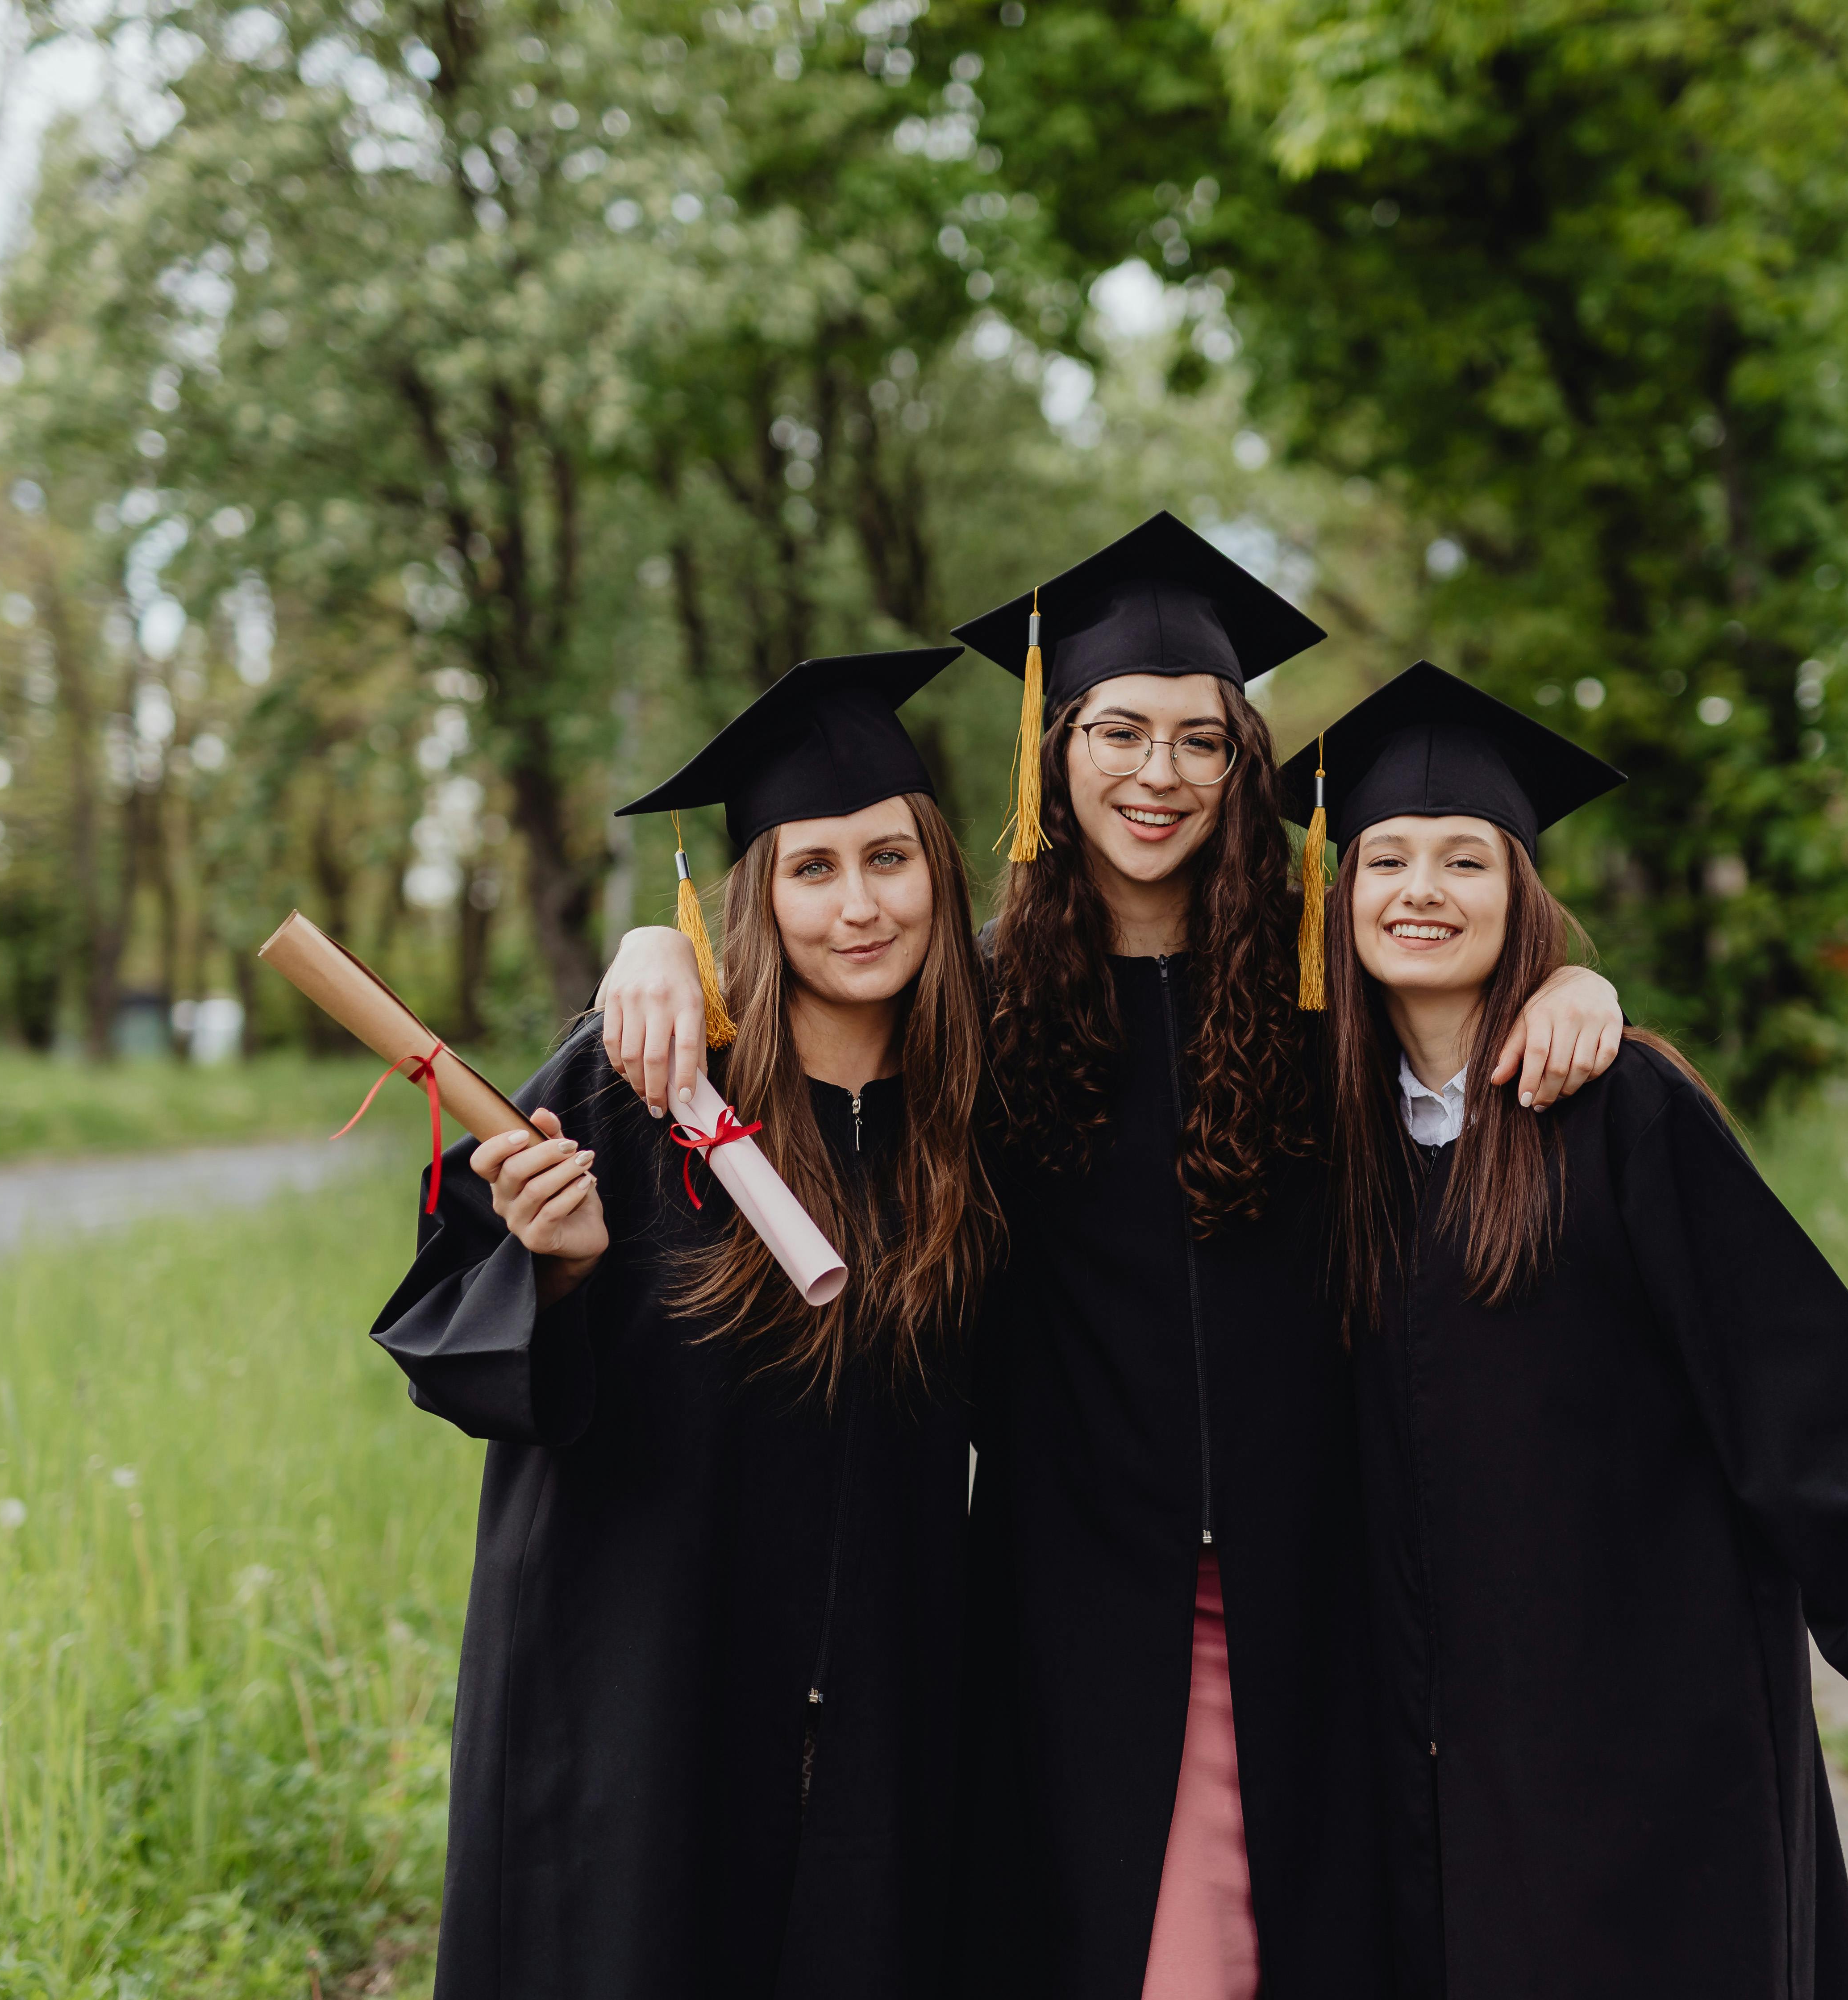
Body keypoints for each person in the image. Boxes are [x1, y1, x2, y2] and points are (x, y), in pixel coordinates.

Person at [595, 517, 1629, 1999]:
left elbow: (1471, 986)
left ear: (1245, 765)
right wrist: (656, 952)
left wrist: (1578, 977)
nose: (1159, 775)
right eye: (1120, 732)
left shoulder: (1321, 971)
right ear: (1051, 747)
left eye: (1202, 743)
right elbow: (807, 1003)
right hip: (1065, 1581)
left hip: (1313, 1569)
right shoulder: (975, 992)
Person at [1280, 662, 1848, 2000]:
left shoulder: (1622, 1112)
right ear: (1339, 895)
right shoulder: (1317, 1140)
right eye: (1386, 861)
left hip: (1641, 1736)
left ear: (1523, 893)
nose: (1421, 891)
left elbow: (1798, 1391)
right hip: (1404, 1751)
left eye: (1465, 860)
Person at [370, 649, 1002, 2000]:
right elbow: (448, 1338)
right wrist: (556, 1267)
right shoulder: (640, 1079)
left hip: (879, 1689)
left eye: (889, 860)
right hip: (636, 1680)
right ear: (758, 896)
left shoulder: (980, 1104)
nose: (859, 906)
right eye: (812, 868)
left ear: (942, 877)